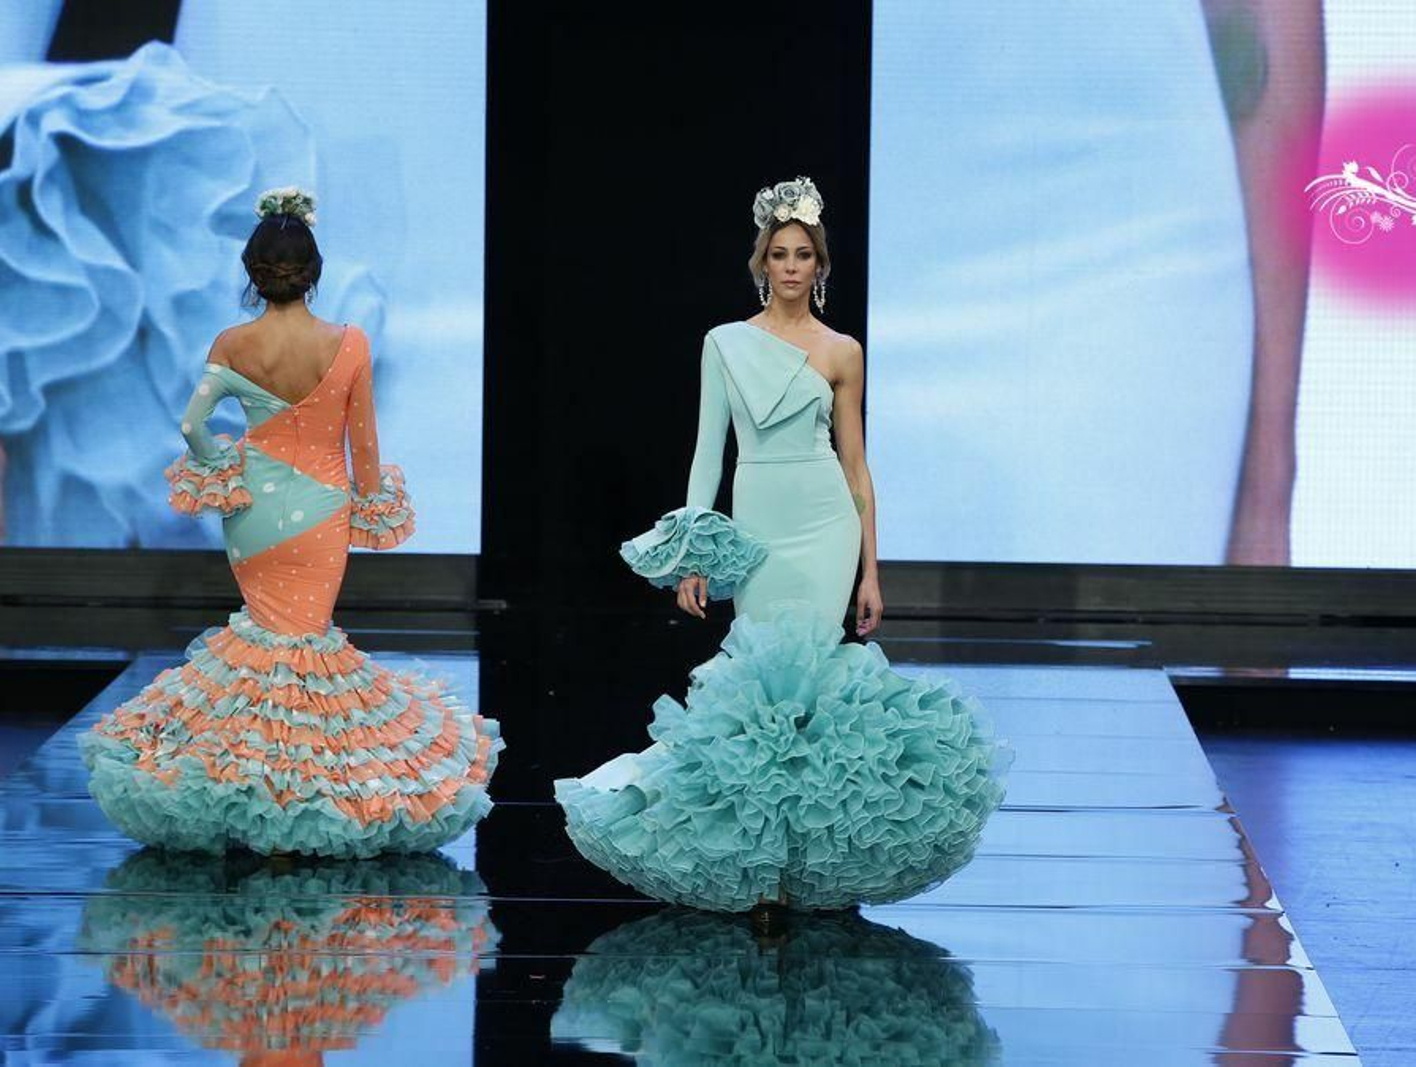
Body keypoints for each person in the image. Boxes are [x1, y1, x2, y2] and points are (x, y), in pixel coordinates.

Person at [553, 176, 1014, 919]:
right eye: (779, 254)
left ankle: (801, 865)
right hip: (760, 521)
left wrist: (870, 571)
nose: (791, 266)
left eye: (803, 255)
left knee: (816, 685)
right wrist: (694, 552)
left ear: (819, 265)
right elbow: (708, 452)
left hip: (826, 523)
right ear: (761, 262)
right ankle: (762, 865)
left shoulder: (842, 351)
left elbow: (857, 468)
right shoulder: (725, 343)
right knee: (760, 687)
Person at [77, 187, 503, 857]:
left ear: (253, 273)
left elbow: (191, 425)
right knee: (305, 648)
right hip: (323, 514)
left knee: (264, 644)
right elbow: (364, 448)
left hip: (253, 512)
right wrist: (371, 502)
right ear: (313, 271)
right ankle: (301, 801)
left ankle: (250, 789)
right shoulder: (349, 343)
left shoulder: (233, 342)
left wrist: (221, 463)